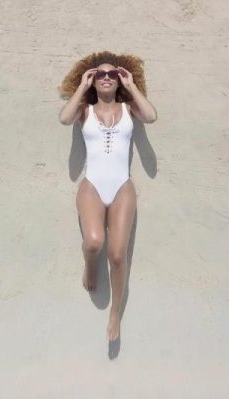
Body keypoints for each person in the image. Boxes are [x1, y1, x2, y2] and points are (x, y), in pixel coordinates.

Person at [58, 51, 157, 342]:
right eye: (98, 74)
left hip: (121, 187)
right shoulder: (84, 112)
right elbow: (64, 119)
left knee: (117, 254)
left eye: (111, 74)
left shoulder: (129, 109)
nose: (105, 77)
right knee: (93, 242)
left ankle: (115, 313)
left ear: (119, 79)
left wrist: (132, 85)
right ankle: (90, 264)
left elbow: (150, 115)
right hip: (92, 185)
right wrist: (82, 85)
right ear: (92, 80)